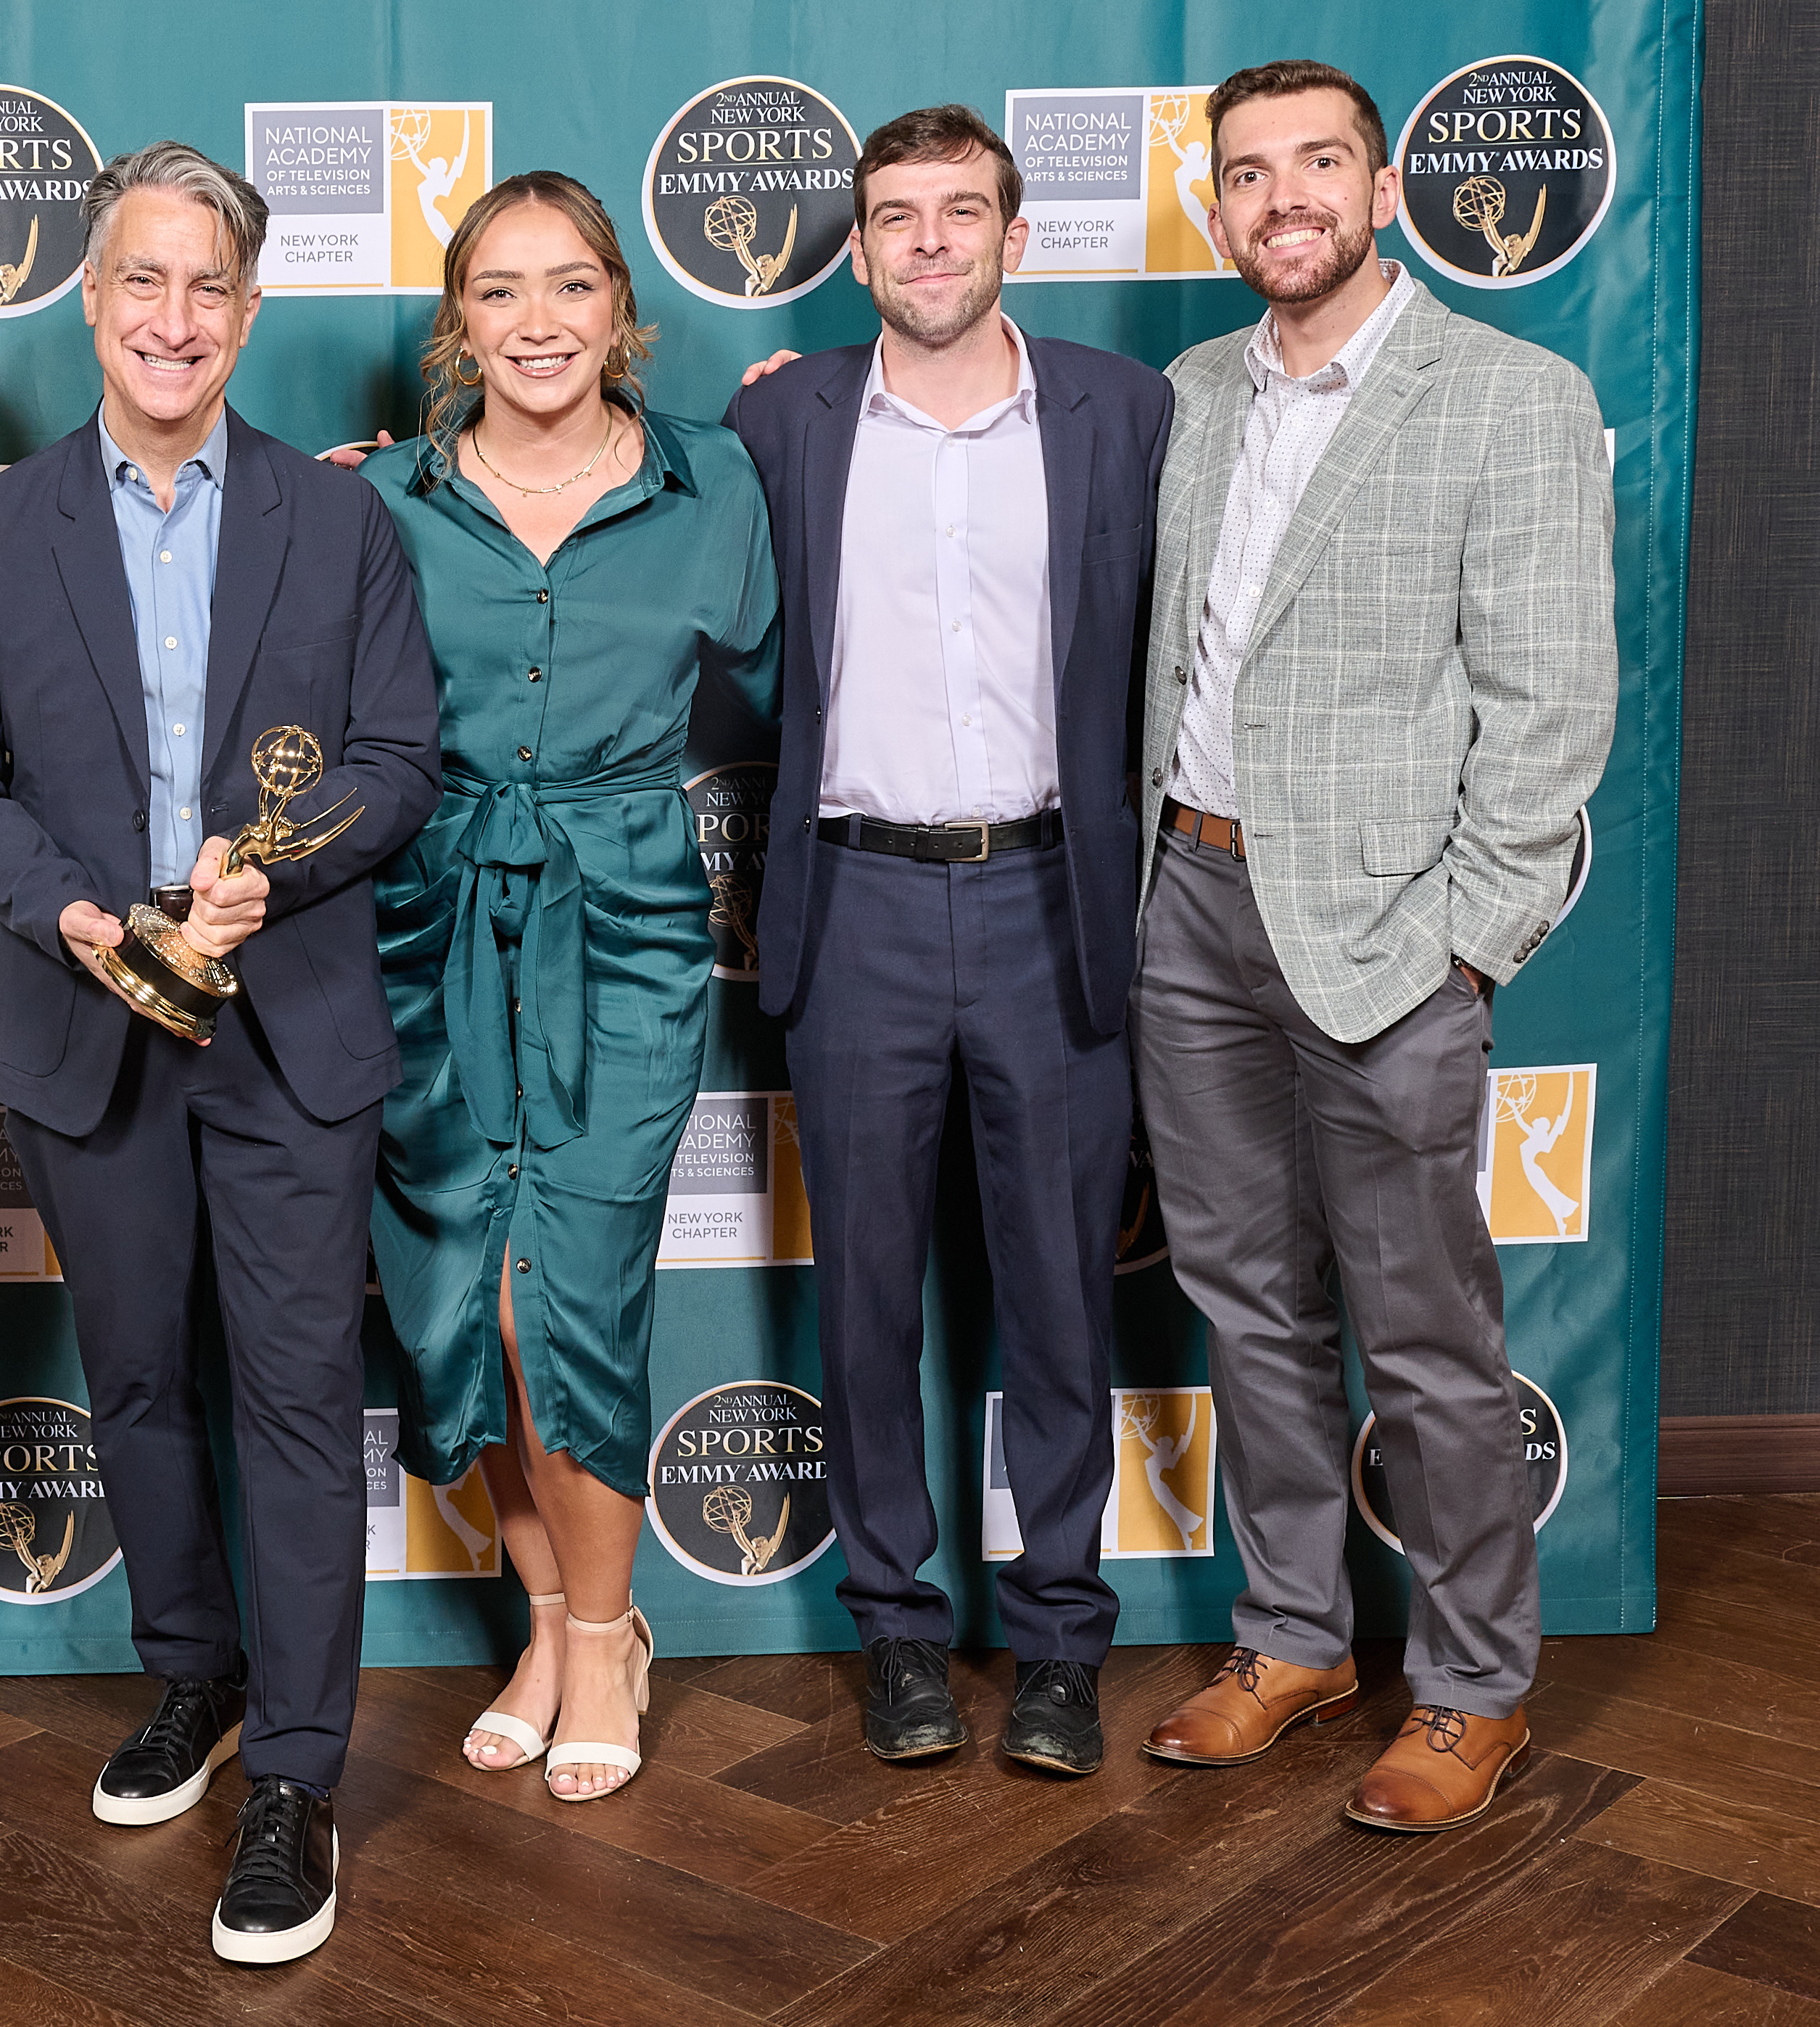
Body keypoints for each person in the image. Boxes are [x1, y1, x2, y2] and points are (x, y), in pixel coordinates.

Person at [0, 140, 439, 1962]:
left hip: (288, 1026)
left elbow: (398, 761)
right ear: (89, 298)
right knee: (135, 1379)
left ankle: (295, 1772)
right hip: (86, 1019)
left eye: (211, 285)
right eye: (145, 279)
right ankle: (194, 1674)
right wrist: (77, 913)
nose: (175, 316)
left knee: (293, 1392)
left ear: (252, 312)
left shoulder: (338, 523)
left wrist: (275, 873)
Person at [1126, 60, 1613, 1829]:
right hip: (1189, 905)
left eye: (1319, 164)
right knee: (1247, 1305)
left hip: (1390, 935)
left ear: (1387, 187)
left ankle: (1475, 1688)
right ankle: (1294, 1639)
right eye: (1250, 175)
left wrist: (1464, 945)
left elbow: (1551, 708)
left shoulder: (1512, 396)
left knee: (1424, 1333)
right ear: (1221, 208)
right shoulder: (1192, 393)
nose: (1286, 200)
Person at [724, 105, 1172, 1778]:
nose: (929, 240)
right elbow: (608, 515)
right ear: (858, 251)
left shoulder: (1128, 411)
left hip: (1054, 897)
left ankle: (1060, 1642)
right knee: (867, 1302)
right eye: (897, 216)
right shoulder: (781, 419)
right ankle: (897, 1631)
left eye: (961, 211)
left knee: (1060, 1296)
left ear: (1013, 237)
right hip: (858, 904)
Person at [351, 172, 777, 1804]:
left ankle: (609, 1638)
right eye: (501, 290)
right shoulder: (381, 500)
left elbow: (806, 676)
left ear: (622, 310)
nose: (539, 322)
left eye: (572, 285)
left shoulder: (715, 483)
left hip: (626, 932)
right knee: (460, 1303)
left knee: (566, 1296)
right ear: (459, 324)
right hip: (429, 924)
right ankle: (548, 1622)